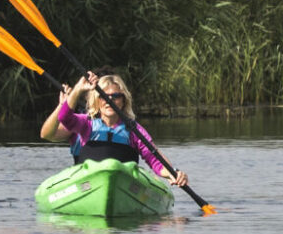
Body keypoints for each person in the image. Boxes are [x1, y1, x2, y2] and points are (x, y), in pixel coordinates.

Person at [52, 71, 189, 186]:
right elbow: (64, 117)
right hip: (87, 184)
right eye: (104, 96)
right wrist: (77, 90)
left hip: (124, 186)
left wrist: (173, 173)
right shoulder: (86, 123)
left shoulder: (134, 130)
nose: (109, 101)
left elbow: (154, 159)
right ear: (97, 100)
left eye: (116, 96)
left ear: (123, 101)